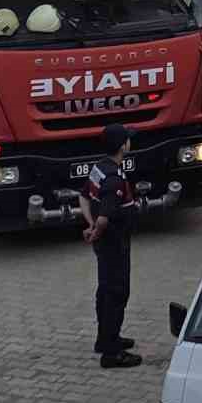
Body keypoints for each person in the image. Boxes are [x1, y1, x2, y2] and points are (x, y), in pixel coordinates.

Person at [78, 122, 141, 369]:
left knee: (104, 290)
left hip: (104, 244)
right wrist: (97, 227)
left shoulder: (98, 169)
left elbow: (82, 196)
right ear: (122, 146)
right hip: (115, 243)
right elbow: (106, 216)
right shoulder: (114, 178)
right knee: (117, 293)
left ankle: (105, 339)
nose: (130, 142)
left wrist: (90, 225)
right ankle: (112, 354)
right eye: (127, 139)